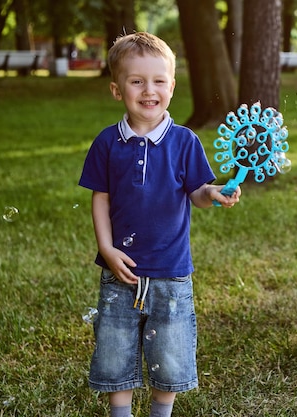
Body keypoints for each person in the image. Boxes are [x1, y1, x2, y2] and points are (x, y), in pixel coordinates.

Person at [78, 32, 241, 417]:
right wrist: (105, 247)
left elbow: (196, 193)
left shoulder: (184, 141)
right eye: (136, 81)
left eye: (158, 81)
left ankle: (160, 412)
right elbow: (99, 198)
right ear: (117, 90)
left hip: (171, 272)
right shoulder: (107, 143)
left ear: (172, 86)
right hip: (121, 270)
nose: (148, 90)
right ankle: (120, 412)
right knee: (115, 343)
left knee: (170, 346)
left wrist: (212, 193)